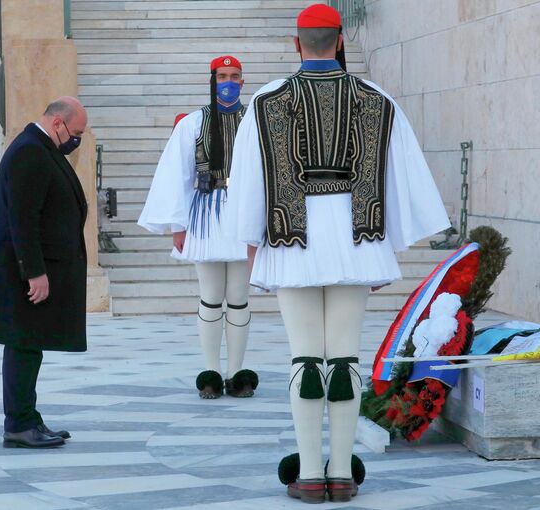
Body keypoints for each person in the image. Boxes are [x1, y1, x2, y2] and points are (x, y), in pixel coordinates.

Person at [226, 4, 450, 503]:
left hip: (291, 244)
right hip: (356, 243)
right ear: (342, 39)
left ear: (296, 42)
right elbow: (402, 178)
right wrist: (386, 243)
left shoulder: (264, 103)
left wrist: (249, 247)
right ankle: (344, 475)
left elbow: (247, 185)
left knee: (305, 358)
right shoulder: (378, 100)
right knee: (345, 358)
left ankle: (309, 474)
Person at [138, 56, 259, 400]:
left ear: (243, 81)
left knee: (238, 298)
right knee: (210, 296)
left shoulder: (255, 120)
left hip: (242, 215)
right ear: (212, 79)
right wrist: (178, 224)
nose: (229, 81)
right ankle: (210, 372)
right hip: (205, 215)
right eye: (222, 76)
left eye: (235, 76)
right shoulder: (192, 123)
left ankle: (237, 374)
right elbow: (178, 175)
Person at [0, 97, 88, 449]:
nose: (77, 140)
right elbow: (23, 220)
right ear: (58, 123)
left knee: (29, 347)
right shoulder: (30, 151)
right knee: (24, 347)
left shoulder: (40, 147)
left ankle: (27, 418)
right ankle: (20, 423)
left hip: (33, 270)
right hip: (24, 274)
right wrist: (35, 272)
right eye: (76, 132)